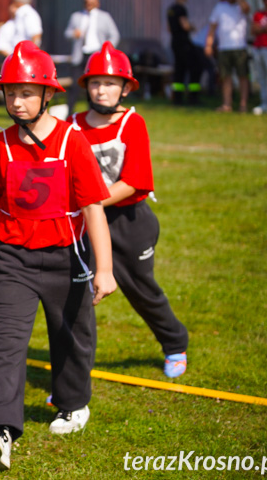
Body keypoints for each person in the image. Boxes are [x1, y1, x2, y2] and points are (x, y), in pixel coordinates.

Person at [0, 40, 115, 471]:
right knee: (7, 342)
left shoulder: (73, 141)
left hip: (66, 259)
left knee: (70, 334)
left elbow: (93, 207)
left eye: (27, 92)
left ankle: (72, 403)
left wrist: (104, 269)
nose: (17, 101)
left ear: (48, 94)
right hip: (13, 260)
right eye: (11, 92)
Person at [69, 41, 189, 378]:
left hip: (129, 222)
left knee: (141, 290)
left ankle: (175, 342)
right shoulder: (73, 124)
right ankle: (74, 376)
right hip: (84, 223)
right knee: (77, 296)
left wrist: (84, 203)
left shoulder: (133, 124)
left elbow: (133, 182)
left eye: (109, 83)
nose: (102, 90)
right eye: (95, 82)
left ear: (125, 88)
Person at [64, 0, 120, 116]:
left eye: (92, 2)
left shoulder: (104, 17)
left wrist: (107, 50)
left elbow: (114, 35)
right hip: (80, 55)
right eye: (87, 2)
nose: (89, 4)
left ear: (97, 3)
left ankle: (93, 112)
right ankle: (69, 113)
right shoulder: (76, 16)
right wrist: (74, 33)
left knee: (94, 86)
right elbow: (67, 33)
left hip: (96, 55)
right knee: (74, 85)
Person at [205, 0, 250, 112]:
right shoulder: (220, 7)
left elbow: (247, 9)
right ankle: (227, 104)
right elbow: (212, 28)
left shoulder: (240, 6)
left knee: (243, 76)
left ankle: (243, 104)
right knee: (226, 77)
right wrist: (208, 44)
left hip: (239, 47)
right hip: (224, 48)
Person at [167, 0, 204, 105]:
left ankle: (177, 98)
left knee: (179, 70)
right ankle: (193, 97)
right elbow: (185, 26)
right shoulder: (181, 9)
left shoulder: (170, 9)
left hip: (175, 43)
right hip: (184, 43)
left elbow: (169, 28)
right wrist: (192, 27)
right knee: (195, 67)